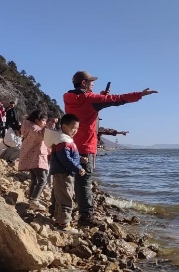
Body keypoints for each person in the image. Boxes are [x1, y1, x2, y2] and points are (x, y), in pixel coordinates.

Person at [63, 71, 157, 226]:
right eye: (91, 81)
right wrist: (140, 94)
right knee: (85, 182)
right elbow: (117, 99)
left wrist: (100, 96)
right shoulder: (91, 99)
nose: (93, 83)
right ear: (84, 83)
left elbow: (87, 103)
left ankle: (63, 208)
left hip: (71, 144)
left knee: (72, 180)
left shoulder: (68, 97)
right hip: (86, 146)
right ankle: (86, 217)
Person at [44, 113, 85, 234]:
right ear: (64, 127)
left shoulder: (62, 140)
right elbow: (65, 159)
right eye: (73, 128)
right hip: (64, 174)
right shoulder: (64, 141)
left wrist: (80, 159)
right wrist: (78, 167)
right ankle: (63, 224)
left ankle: (59, 220)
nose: (75, 131)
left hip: (61, 173)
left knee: (60, 197)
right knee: (66, 198)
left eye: (77, 128)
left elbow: (67, 156)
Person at [18, 109, 50, 211]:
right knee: (42, 180)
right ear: (37, 121)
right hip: (36, 158)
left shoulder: (28, 127)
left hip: (31, 157)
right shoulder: (34, 128)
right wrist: (49, 128)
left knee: (35, 180)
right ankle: (34, 200)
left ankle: (31, 199)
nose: (45, 123)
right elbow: (40, 136)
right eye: (44, 121)